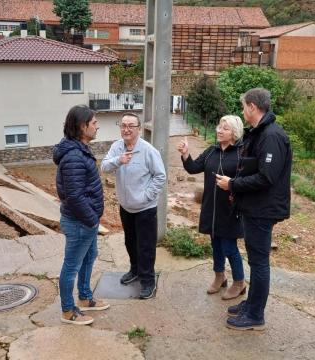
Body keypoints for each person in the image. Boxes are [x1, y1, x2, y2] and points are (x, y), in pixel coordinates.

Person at [216, 88, 292, 331]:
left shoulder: (271, 136)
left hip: (263, 210)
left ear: (252, 107)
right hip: (253, 208)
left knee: (259, 263)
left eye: (243, 106)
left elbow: (266, 177)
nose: (242, 110)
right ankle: (251, 304)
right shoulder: (260, 134)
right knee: (255, 260)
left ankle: (255, 314)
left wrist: (233, 184)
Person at [177, 115, 246, 300]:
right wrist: (185, 154)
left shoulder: (242, 153)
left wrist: (232, 183)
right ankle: (219, 277)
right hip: (212, 208)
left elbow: (247, 181)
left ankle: (239, 282)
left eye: (225, 128)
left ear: (234, 133)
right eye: (219, 126)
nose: (219, 130)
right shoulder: (211, 151)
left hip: (231, 210)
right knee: (215, 245)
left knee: (229, 247)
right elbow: (193, 168)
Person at [53, 105, 109, 326]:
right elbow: (74, 196)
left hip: (85, 221)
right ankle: (68, 311)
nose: (97, 126)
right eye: (94, 123)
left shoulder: (79, 149)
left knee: (89, 256)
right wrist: (92, 219)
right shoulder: (74, 156)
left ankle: (85, 297)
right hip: (80, 222)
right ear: (82, 126)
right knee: (71, 266)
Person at [101, 113, 166, 299]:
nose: (126, 129)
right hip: (126, 207)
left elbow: (160, 176)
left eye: (131, 126)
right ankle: (135, 270)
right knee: (130, 242)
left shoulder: (148, 150)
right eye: (123, 125)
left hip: (145, 208)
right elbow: (104, 167)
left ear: (138, 129)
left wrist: (146, 196)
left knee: (146, 246)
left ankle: (148, 280)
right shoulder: (116, 147)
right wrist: (118, 160)